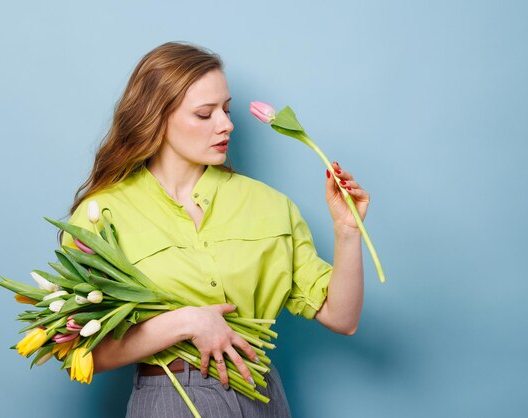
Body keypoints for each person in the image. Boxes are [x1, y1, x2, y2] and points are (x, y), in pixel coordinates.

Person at [61, 41, 367, 418]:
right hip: (169, 399)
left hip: (261, 397)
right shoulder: (102, 215)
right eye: (204, 114)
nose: (226, 125)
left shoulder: (270, 205)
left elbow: (342, 318)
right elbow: (84, 351)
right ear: (157, 117)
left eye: (226, 109)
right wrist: (187, 322)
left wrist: (348, 232)